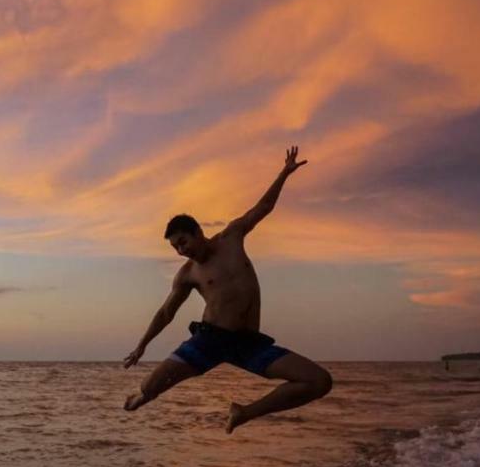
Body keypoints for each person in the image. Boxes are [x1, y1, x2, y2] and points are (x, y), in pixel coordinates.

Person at [122, 146, 333, 433]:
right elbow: (166, 312)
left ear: (198, 231)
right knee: (150, 386)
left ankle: (244, 413)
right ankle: (141, 397)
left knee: (319, 381)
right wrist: (141, 345)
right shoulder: (188, 274)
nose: (181, 251)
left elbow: (263, 208)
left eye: (183, 242)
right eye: (175, 248)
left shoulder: (232, 238)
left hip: (248, 343)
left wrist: (284, 173)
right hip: (210, 341)